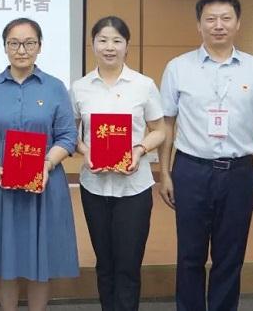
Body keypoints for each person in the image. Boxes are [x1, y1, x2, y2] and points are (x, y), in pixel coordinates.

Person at [158, 0, 253, 311]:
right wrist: (165, 173)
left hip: (240, 173)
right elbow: (167, 124)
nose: (218, 25)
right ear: (198, 25)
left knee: (231, 255)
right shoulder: (178, 67)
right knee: (190, 255)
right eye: (210, 19)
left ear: (238, 24)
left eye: (226, 18)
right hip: (191, 170)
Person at [0, 17, 78, 311]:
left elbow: (68, 136)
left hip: (44, 180)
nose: (22, 50)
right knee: (4, 255)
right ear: (5, 46)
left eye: (29, 43)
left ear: (40, 46)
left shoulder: (55, 87)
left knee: (40, 254)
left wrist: (46, 163)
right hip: (0, 180)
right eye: (14, 43)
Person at [70, 16, 165, 311]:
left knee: (128, 264)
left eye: (116, 41)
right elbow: (71, 133)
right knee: (105, 262)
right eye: (102, 40)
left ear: (127, 45)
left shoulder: (143, 85)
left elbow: (160, 130)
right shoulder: (80, 87)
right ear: (92, 44)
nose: (109, 47)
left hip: (134, 189)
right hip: (94, 187)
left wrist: (139, 149)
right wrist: (85, 151)